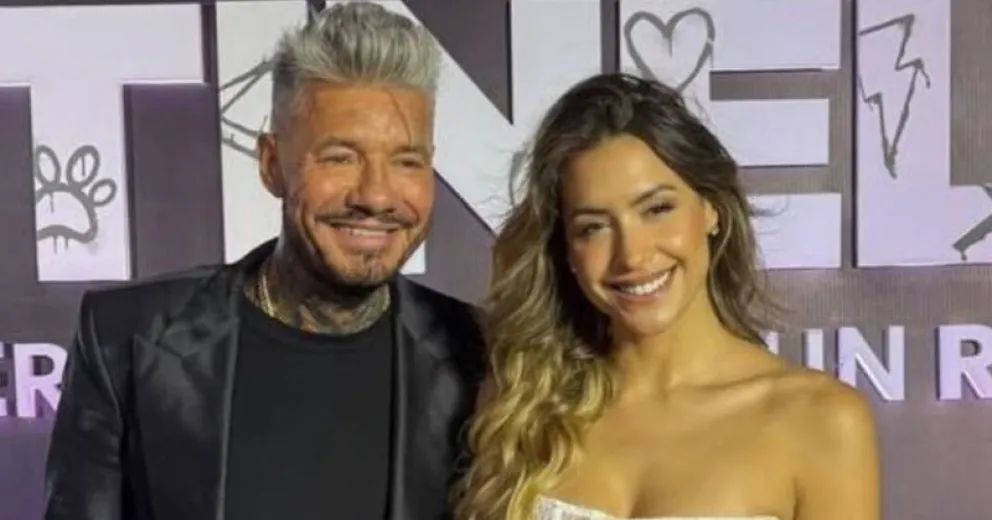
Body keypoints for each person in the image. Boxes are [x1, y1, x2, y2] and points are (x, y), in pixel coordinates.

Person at [42, 3, 482, 520]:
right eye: (340, 157)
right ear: (272, 165)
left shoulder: (480, 358)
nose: (376, 195)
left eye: (407, 161)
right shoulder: (126, 341)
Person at [454, 73, 880, 520]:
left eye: (657, 209)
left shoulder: (821, 420)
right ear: (566, 248)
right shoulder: (522, 407)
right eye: (593, 227)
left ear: (711, 208)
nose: (632, 255)